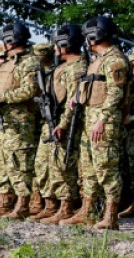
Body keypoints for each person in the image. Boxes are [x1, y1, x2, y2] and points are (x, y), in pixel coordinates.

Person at [55, 16, 130, 229]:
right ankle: (87, 211)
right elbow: (93, 87)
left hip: (103, 122)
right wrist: (76, 98)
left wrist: (103, 120)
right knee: (88, 168)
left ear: (93, 37)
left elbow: (116, 94)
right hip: (90, 119)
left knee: (106, 168)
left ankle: (111, 216)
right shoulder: (98, 60)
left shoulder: (114, 60)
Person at [0, 21, 41, 219]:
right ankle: (5, 200)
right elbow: (0, 87)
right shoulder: (7, 62)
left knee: (19, 162)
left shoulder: (29, 62)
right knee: (0, 161)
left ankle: (23, 203)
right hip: (1, 121)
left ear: (10, 41)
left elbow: (30, 90)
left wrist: (2, 97)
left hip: (18, 122)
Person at [30, 26, 86, 224]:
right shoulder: (61, 67)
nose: (54, 48)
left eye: (57, 44)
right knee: (43, 165)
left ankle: (65, 206)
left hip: (64, 124)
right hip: (51, 123)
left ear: (65, 44)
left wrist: (62, 124)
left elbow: (74, 100)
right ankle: (50, 204)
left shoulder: (77, 68)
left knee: (62, 167)